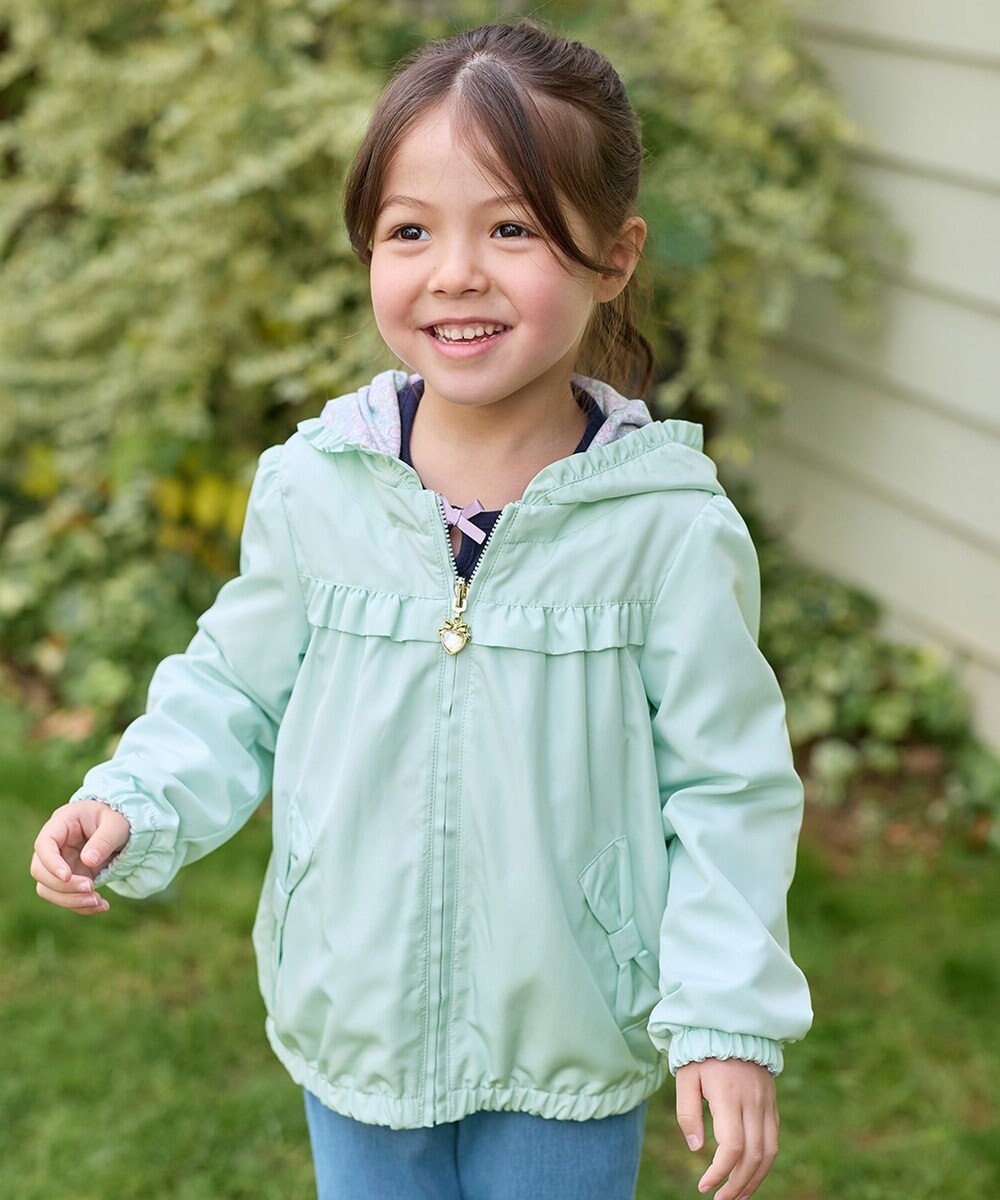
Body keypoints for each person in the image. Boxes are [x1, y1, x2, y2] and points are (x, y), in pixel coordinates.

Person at [29, 17, 813, 1200]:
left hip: (566, 1036)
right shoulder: (318, 486)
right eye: (410, 230)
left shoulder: (663, 524)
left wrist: (724, 1015)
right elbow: (232, 691)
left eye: (511, 228)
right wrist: (134, 800)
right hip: (355, 1014)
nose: (455, 273)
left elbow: (726, 787)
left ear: (613, 256)